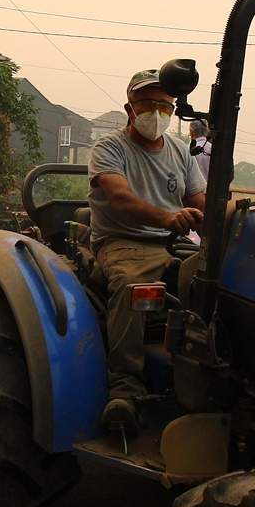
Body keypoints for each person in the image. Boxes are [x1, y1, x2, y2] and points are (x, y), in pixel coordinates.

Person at [88, 69, 206, 435]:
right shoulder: (109, 148)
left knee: (214, 280)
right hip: (124, 240)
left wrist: (229, 223)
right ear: (130, 108)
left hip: (171, 242)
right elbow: (119, 199)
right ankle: (125, 387)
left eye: (164, 105)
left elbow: (200, 201)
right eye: (148, 104)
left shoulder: (179, 152)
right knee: (130, 286)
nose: (157, 112)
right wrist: (168, 217)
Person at [188, 118, 212, 184]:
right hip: (212, 190)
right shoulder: (213, 148)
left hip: (195, 191)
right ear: (206, 131)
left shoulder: (187, 150)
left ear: (192, 132)